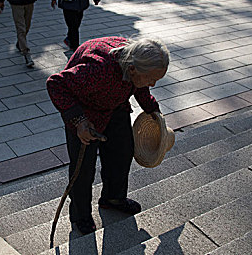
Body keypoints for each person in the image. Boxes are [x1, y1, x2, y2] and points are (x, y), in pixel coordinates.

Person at [46, 36, 169, 234]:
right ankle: (80, 215)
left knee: (122, 151)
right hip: (84, 112)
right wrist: (79, 121)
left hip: (115, 103)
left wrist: (152, 110)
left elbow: (142, 85)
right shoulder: (97, 69)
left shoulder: (137, 63)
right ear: (132, 69)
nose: (153, 84)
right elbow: (56, 84)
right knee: (83, 168)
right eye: (151, 78)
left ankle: (113, 198)